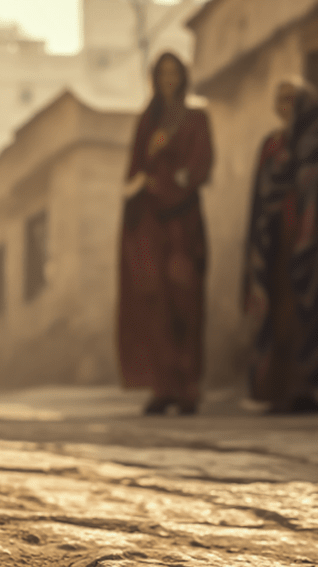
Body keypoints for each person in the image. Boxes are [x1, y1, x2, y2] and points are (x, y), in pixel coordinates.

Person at [242, 78, 318, 413]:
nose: (287, 107)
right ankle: (282, 389)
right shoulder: (272, 146)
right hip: (280, 244)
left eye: (293, 99)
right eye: (281, 100)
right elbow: (260, 199)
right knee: (282, 314)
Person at [118, 52, 214, 416]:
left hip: (183, 223)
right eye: (163, 73)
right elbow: (135, 171)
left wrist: (173, 184)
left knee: (185, 302)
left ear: (183, 77)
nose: (169, 79)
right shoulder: (148, 121)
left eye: (175, 72)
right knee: (154, 301)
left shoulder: (196, 119)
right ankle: (163, 387)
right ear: (155, 79)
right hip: (150, 224)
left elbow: (200, 165)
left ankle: (189, 386)